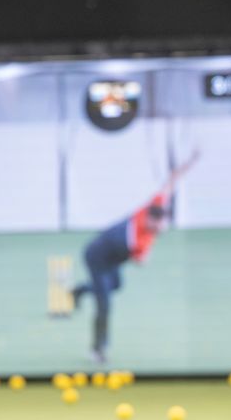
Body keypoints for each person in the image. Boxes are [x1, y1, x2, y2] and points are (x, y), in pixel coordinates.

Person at [71, 152, 199, 364]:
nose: (159, 227)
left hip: (112, 261)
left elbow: (171, 181)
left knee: (116, 285)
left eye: (162, 223)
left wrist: (191, 161)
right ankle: (98, 349)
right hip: (96, 258)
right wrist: (148, 250)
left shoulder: (153, 207)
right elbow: (141, 261)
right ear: (149, 219)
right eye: (156, 224)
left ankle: (80, 290)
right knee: (104, 304)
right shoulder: (135, 241)